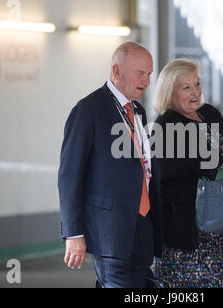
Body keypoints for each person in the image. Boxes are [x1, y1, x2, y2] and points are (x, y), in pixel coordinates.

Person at [58, 41, 163, 288]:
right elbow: (69, 177)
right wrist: (73, 234)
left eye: (149, 74)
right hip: (110, 234)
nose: (147, 81)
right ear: (117, 72)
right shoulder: (88, 110)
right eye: (140, 73)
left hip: (142, 229)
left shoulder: (138, 111)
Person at [151, 58, 223, 288]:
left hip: (222, 232)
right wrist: (218, 165)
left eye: (197, 84)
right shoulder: (164, 126)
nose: (195, 92)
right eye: (186, 87)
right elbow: (170, 172)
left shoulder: (209, 114)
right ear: (169, 91)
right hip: (188, 234)